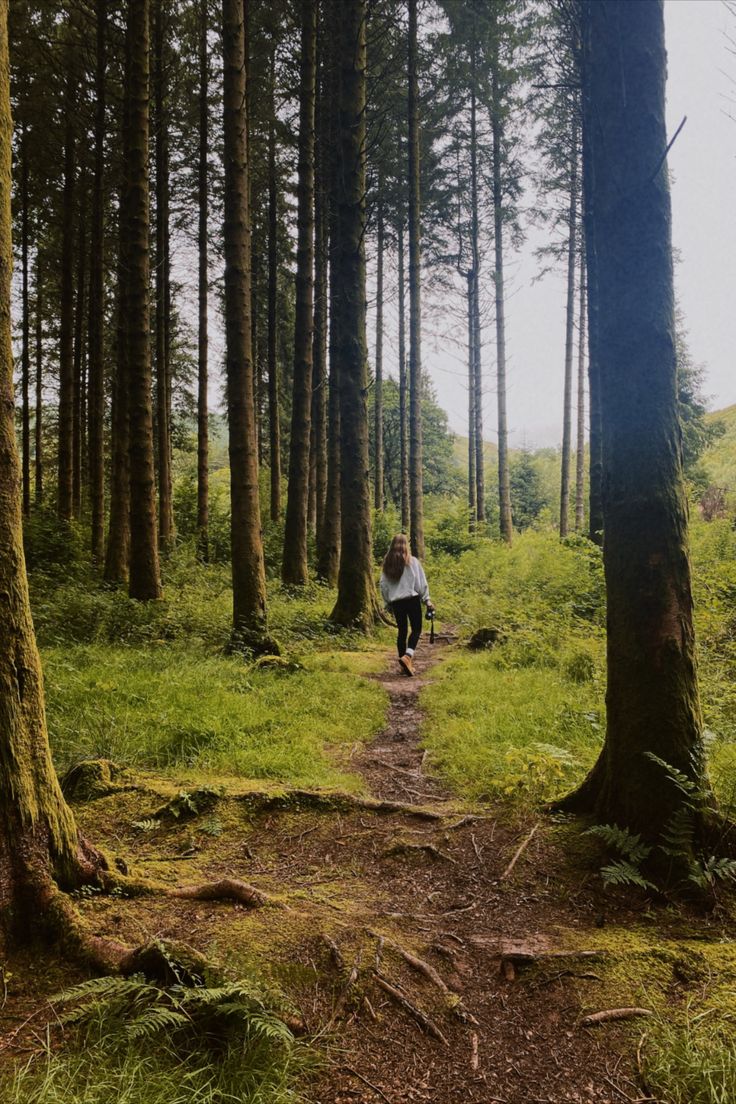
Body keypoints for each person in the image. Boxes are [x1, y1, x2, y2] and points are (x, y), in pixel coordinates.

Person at [379, 534, 434, 677]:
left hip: (396, 603)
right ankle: (408, 656)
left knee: (402, 631)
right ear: (406, 545)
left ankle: (404, 665)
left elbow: (383, 585)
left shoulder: (387, 563)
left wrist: (387, 603)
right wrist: (427, 600)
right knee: (416, 629)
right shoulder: (412, 561)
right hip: (412, 600)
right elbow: (421, 583)